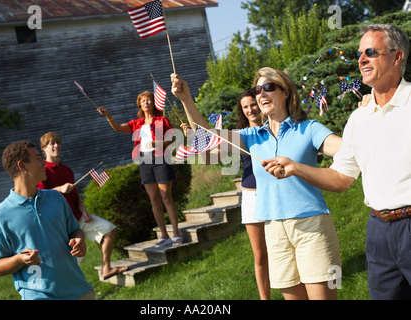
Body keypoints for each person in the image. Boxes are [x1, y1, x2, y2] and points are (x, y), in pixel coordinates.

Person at [262, 24, 411, 300]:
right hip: (378, 230)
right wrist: (296, 167)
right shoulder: (359, 119)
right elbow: (341, 178)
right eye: (359, 54)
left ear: (397, 56)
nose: (361, 60)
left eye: (371, 52)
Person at [172, 69, 343, 300]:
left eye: (269, 87)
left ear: (285, 92)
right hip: (273, 228)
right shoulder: (252, 135)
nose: (261, 93)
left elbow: (347, 150)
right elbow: (209, 136)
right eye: (257, 89)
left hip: (311, 225)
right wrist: (186, 100)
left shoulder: (309, 128)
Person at [178, 86, 270, 299]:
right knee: (260, 256)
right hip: (252, 197)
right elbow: (208, 157)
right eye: (245, 107)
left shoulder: (277, 127)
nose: (250, 110)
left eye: (253, 104)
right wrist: (194, 139)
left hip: (278, 194)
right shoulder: (242, 136)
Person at [0, 141, 94, 300]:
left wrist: (79, 239)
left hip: (79, 290)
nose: (44, 162)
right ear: (22, 165)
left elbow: (74, 229)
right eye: (37, 158)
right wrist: (20, 258)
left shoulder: (56, 198)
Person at [36, 132, 128, 280]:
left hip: (78, 218)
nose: (56, 146)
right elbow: (40, 195)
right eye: (52, 144)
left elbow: (75, 196)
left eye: (58, 143)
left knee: (109, 229)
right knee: (74, 262)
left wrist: (83, 210)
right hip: (62, 226)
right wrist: (60, 188)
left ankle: (106, 268)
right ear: (43, 149)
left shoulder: (67, 169)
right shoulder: (43, 171)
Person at [97, 91, 182, 247]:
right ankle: (164, 236)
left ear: (153, 103)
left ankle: (176, 233)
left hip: (160, 158)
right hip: (144, 160)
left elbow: (174, 138)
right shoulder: (136, 123)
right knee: (154, 199)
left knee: (166, 198)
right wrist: (108, 115)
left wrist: (160, 144)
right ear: (140, 105)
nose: (146, 102)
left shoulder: (161, 120)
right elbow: (117, 128)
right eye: (143, 101)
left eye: (149, 100)